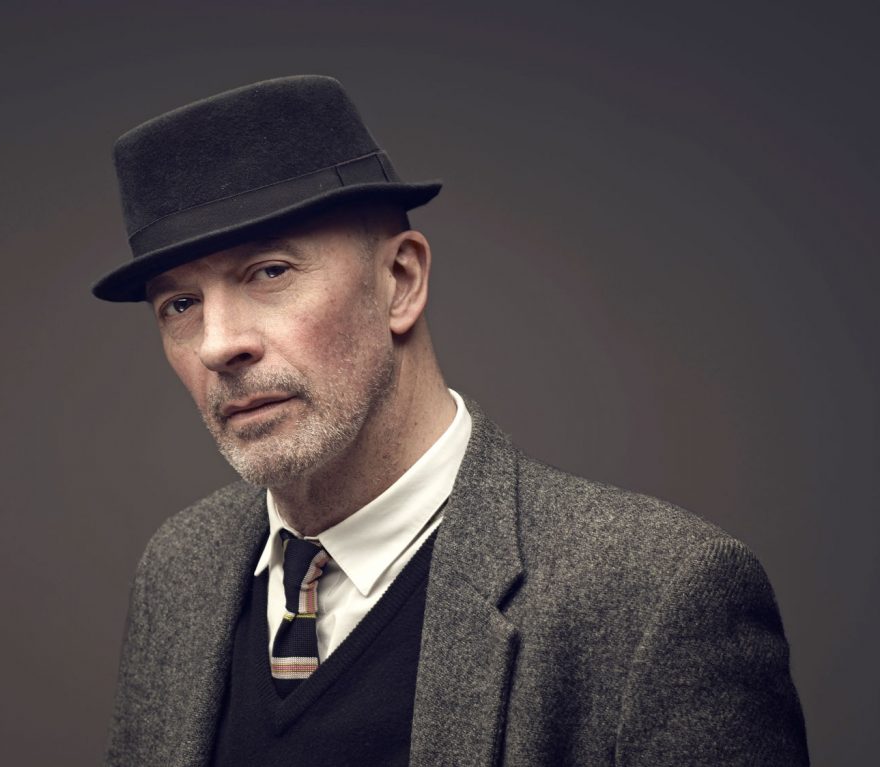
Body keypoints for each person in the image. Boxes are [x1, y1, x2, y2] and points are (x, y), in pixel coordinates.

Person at [93, 75, 809, 766]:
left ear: (400, 281)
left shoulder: (654, 597)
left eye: (270, 272)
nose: (218, 344)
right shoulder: (179, 569)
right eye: (179, 305)